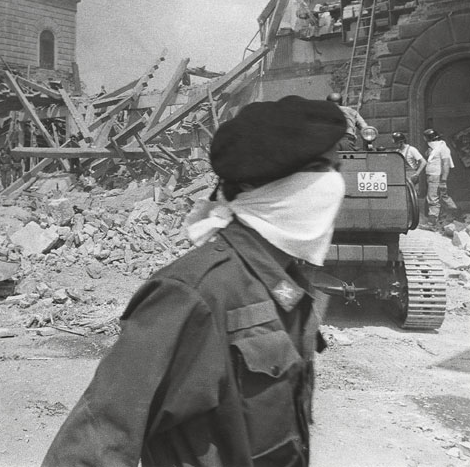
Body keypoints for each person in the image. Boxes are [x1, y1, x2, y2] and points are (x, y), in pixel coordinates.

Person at [42, 95, 347, 467]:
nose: (336, 183)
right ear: (282, 188)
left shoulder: (285, 282)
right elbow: (96, 443)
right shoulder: (195, 294)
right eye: (327, 169)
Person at [422, 128, 458, 228]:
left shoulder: (442, 148)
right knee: (441, 197)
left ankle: (432, 224)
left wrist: (443, 181)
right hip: (432, 176)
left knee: (433, 199)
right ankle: (453, 216)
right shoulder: (436, 148)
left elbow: (446, 164)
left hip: (436, 176)